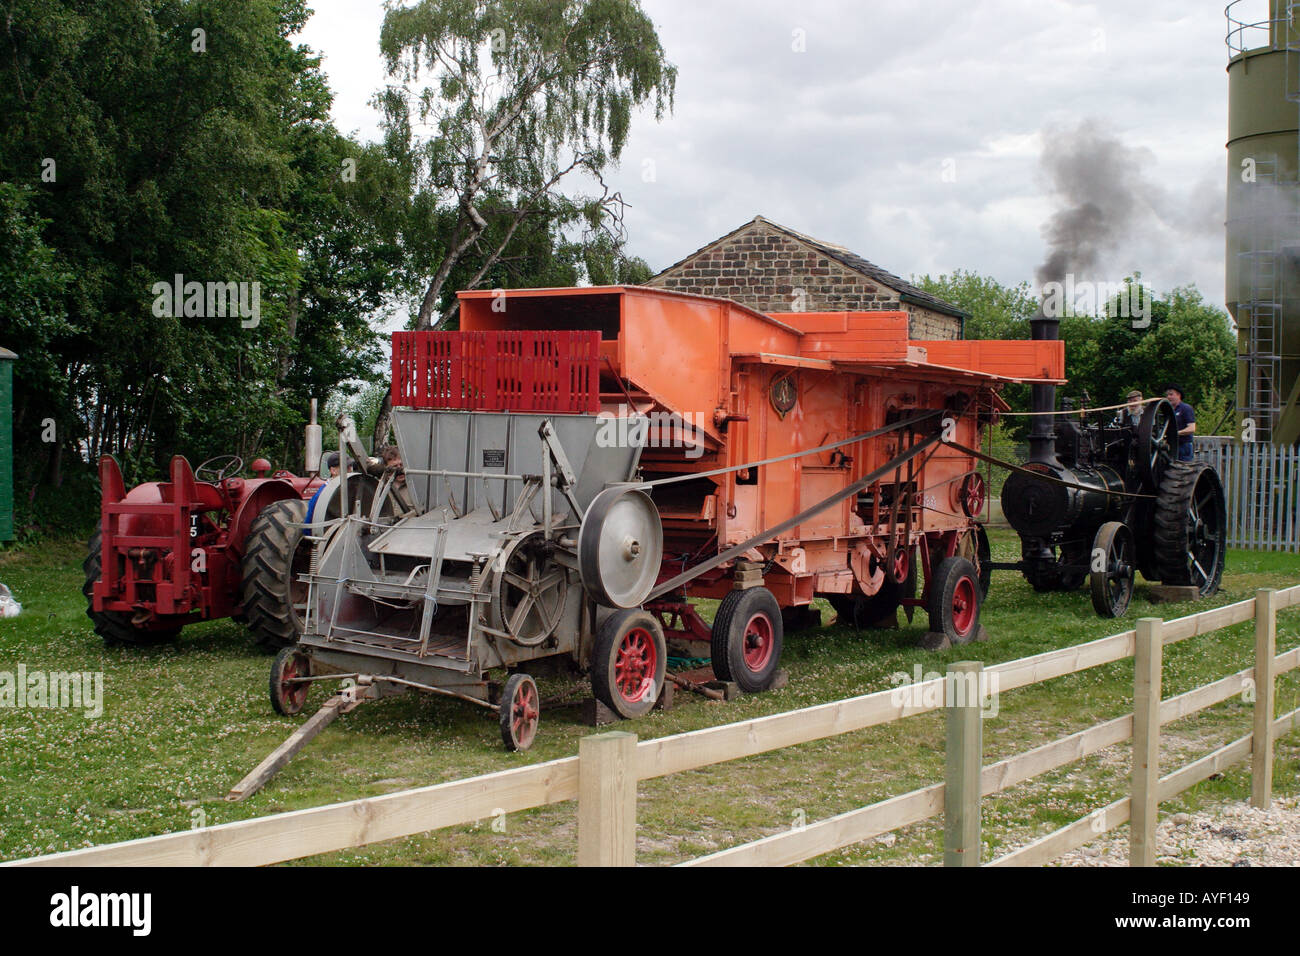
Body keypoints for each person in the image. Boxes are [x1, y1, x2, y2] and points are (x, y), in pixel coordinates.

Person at [1165, 384, 1196, 461]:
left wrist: (1176, 433)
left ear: (1179, 395)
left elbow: (1191, 428)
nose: (1168, 397)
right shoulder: (1169, 411)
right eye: (1167, 395)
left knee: (1183, 470)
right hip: (1171, 446)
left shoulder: (1185, 408)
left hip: (1184, 446)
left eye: (1171, 394)